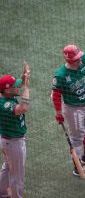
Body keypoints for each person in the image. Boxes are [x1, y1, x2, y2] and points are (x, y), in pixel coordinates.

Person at [51, 38, 85, 178]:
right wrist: (58, 112)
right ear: (70, 60)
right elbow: (56, 95)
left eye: (79, 56)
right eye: (76, 59)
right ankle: (78, 167)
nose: (80, 60)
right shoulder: (61, 75)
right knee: (76, 138)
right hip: (73, 109)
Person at [0, 62, 30, 198]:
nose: (19, 86)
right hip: (14, 143)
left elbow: (17, 86)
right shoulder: (5, 105)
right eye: (15, 86)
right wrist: (27, 87)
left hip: (6, 140)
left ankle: (1, 192)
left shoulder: (6, 96)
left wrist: (24, 77)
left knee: (7, 167)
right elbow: (23, 108)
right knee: (17, 175)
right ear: (7, 90)